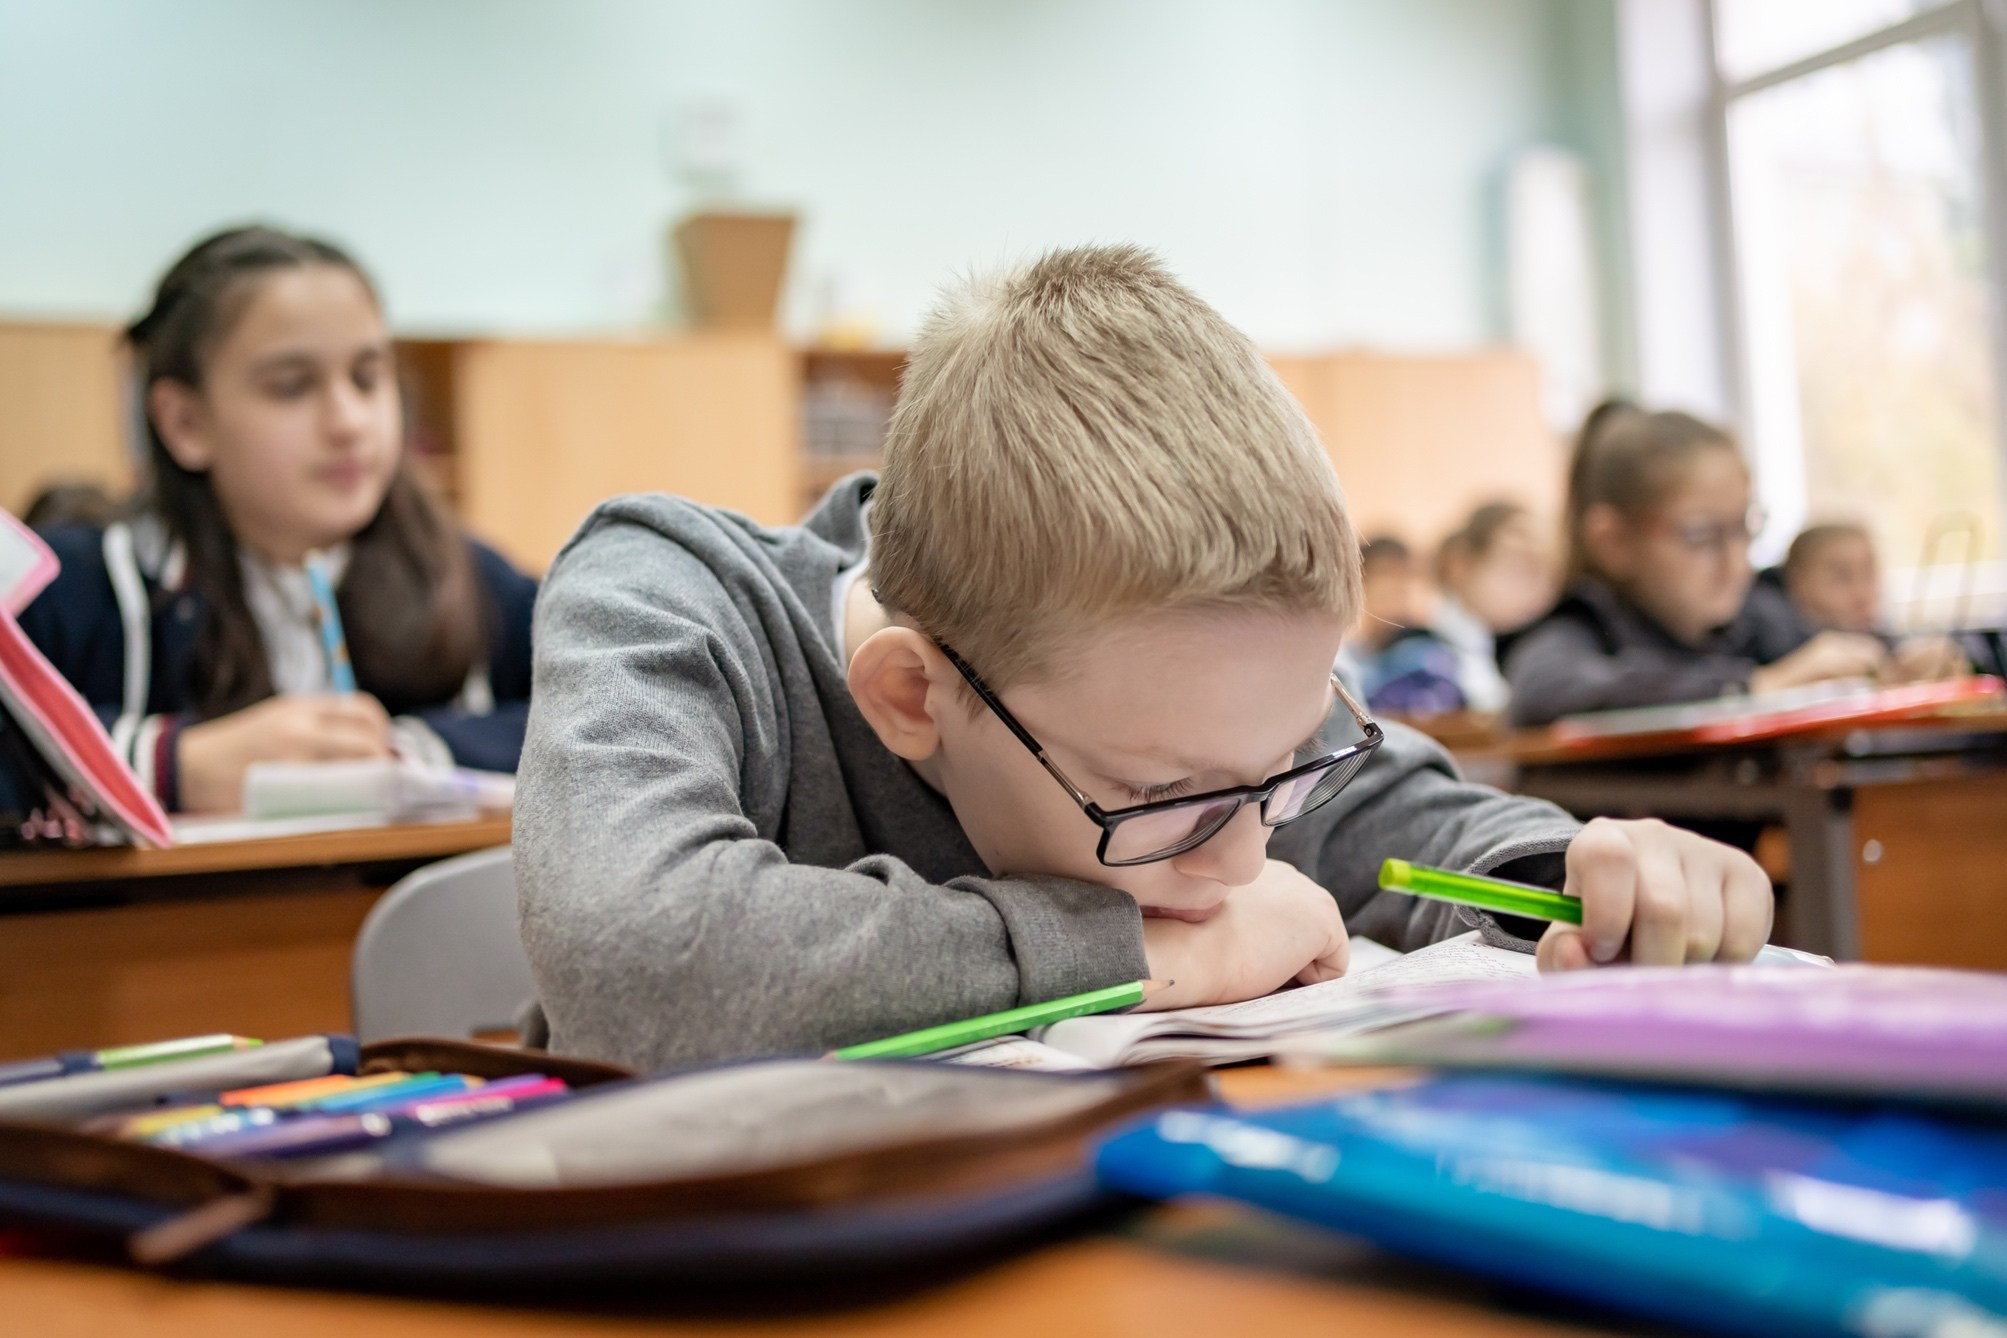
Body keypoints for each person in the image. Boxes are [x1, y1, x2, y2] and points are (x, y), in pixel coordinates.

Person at [516, 247, 1774, 1073]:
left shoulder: (1186, 725)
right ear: (914, 695)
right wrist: (1144, 956)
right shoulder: (667, 593)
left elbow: (1405, 827)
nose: (1240, 862)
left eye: (1284, 770)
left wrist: (1585, 877)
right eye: (1165, 802)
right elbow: (639, 963)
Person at [0, 226, 535, 820]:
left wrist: (407, 751)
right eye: (291, 387)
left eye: (367, 377)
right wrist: (171, 765)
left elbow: (624, 709)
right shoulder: (74, 586)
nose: (349, 421)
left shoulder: (467, 575)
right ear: (185, 424)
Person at [1502, 401, 1895, 728]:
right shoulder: (1578, 629)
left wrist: (1896, 662)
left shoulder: (1755, 617)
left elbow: (1824, 649)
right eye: (1702, 535)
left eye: (1744, 527)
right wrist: (1753, 685)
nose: (1736, 562)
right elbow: (1543, 692)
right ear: (1615, 542)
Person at [1780, 522, 1967, 681]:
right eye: (1841, 577)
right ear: (1798, 583)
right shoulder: (1774, 648)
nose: (1862, 594)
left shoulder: (1885, 642)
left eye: (1869, 574)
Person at [1431, 500, 1556, 714]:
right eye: (1519, 568)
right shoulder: (1428, 657)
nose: (1539, 590)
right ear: (1460, 565)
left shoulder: (1546, 645)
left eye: (1543, 571)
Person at [1340, 536, 1466, 716]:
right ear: (1359, 586)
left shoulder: (1429, 653)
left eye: (1405, 580)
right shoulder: (1347, 656)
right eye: (1385, 578)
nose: (1397, 591)